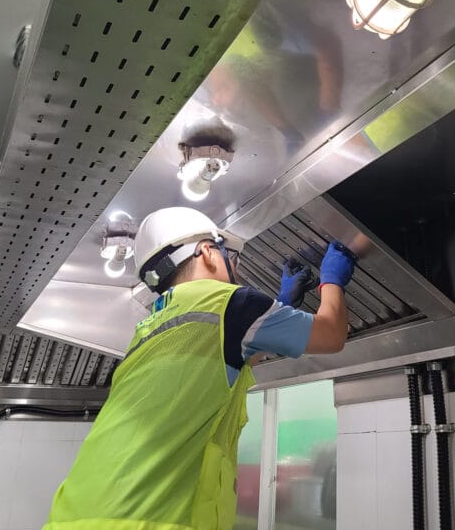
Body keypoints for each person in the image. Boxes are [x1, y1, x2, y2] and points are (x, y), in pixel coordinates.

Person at [43, 206, 357, 530]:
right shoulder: (231, 303)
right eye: (231, 258)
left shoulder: (149, 329)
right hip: (152, 522)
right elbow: (332, 334)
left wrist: (282, 308)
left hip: (71, 517)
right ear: (207, 252)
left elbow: (230, 357)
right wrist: (331, 280)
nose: (236, 271)